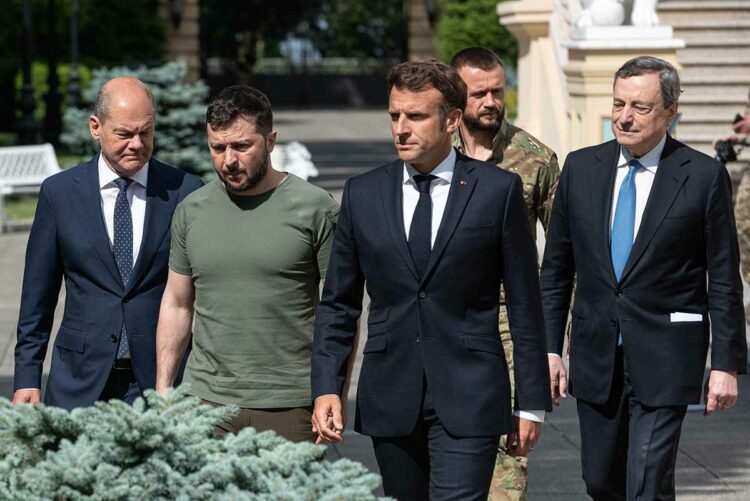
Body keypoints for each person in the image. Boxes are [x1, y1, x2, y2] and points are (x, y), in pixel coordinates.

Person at [311, 60, 551, 500]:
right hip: (391, 392)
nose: (401, 128)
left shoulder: (496, 192)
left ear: (452, 120)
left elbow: (524, 304)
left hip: (472, 392)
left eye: (416, 116)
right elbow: (338, 304)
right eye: (395, 115)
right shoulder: (363, 194)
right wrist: (327, 386)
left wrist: (531, 402)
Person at [541, 56, 747, 500]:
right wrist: (548, 348)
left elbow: (724, 276)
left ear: (670, 111)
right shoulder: (581, 168)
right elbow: (556, 269)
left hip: (667, 353)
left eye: (640, 106)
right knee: (601, 481)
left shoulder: (703, 176)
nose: (624, 117)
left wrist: (726, 365)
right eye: (618, 104)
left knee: (648, 481)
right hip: (597, 354)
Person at [154, 85, 339, 442]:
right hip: (205, 402)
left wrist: (331, 394)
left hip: (291, 404)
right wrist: (164, 391)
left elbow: (341, 312)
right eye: (217, 147)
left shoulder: (316, 208)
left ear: (271, 141)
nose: (228, 160)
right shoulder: (191, 211)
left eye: (242, 146)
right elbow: (177, 304)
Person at [13, 77, 203, 409]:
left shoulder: (185, 191)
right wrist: (27, 377)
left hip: (160, 382)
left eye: (145, 133)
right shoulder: (60, 194)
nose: (137, 144)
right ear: (95, 127)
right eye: (124, 134)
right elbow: (37, 296)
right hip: (79, 380)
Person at [451, 46, 560, 501]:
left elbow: (562, 256)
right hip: (446, 319)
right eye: (480, 93)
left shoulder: (535, 160)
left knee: (507, 461)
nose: (492, 101)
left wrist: (555, 345)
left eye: (498, 90)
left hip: (508, 328)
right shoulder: (430, 154)